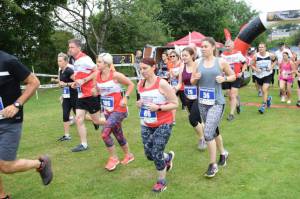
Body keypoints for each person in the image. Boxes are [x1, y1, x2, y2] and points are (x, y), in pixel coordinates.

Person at [0, 50, 53, 198]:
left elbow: (34, 82)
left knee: (5, 166)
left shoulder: (8, 61)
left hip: (9, 122)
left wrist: (16, 105)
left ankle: (40, 164)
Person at [191, 37, 236, 178]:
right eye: (201, 46)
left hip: (217, 102)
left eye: (205, 46)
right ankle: (223, 153)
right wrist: (195, 79)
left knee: (208, 133)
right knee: (213, 130)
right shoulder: (197, 63)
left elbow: (234, 76)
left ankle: (212, 165)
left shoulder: (221, 62)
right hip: (202, 102)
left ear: (213, 47)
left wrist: (225, 79)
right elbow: (192, 82)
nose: (202, 48)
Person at [137, 58, 178, 192]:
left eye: (145, 68)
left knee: (156, 152)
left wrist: (158, 107)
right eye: (141, 68)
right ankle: (168, 158)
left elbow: (175, 103)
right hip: (146, 123)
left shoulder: (162, 83)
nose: (142, 71)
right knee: (149, 155)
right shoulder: (140, 84)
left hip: (164, 123)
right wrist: (140, 103)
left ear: (153, 67)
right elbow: (143, 100)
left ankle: (161, 182)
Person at [94, 53, 135, 171]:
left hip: (119, 110)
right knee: (118, 134)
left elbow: (131, 84)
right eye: (97, 62)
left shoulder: (115, 75)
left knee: (104, 133)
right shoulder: (97, 76)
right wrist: (94, 91)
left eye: (99, 62)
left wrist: (125, 97)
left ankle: (114, 158)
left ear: (106, 64)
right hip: (107, 110)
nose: (97, 64)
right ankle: (129, 155)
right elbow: (97, 91)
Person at [68, 38, 104, 152]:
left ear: (79, 48)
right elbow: (80, 77)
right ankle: (84, 144)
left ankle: (115, 123)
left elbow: (97, 71)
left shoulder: (85, 59)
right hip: (81, 95)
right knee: (79, 119)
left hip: (90, 94)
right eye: (69, 47)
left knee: (97, 120)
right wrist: (75, 83)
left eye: (72, 47)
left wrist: (84, 80)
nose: (70, 49)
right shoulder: (75, 61)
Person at [174, 47, 207, 150]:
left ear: (192, 56)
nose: (183, 57)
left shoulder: (198, 66)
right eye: (182, 55)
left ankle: (202, 139)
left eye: (185, 55)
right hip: (188, 96)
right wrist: (172, 90)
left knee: (192, 119)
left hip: (199, 96)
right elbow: (180, 84)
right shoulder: (181, 67)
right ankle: (207, 133)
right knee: (198, 120)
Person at [221, 40, 247, 121]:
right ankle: (238, 104)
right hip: (227, 77)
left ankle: (231, 114)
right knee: (229, 96)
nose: (227, 48)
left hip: (236, 77)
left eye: (229, 46)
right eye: (226, 46)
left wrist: (242, 72)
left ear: (233, 46)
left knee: (232, 95)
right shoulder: (223, 55)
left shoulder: (238, 54)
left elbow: (245, 63)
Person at [55, 52, 78, 141]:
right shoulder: (61, 71)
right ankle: (67, 135)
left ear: (65, 62)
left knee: (79, 116)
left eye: (60, 61)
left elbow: (77, 82)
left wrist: (66, 84)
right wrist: (60, 85)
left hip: (74, 96)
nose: (58, 63)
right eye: (58, 61)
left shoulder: (69, 70)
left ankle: (96, 121)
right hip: (66, 96)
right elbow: (62, 84)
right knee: (65, 115)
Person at [251, 43, 275, 114]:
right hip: (259, 75)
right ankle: (268, 99)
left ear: (265, 48)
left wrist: (271, 67)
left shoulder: (270, 55)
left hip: (268, 74)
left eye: (262, 47)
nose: (260, 49)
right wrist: (255, 69)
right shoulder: (255, 56)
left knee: (264, 89)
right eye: (259, 47)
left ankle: (263, 105)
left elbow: (275, 61)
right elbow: (251, 64)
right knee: (263, 91)